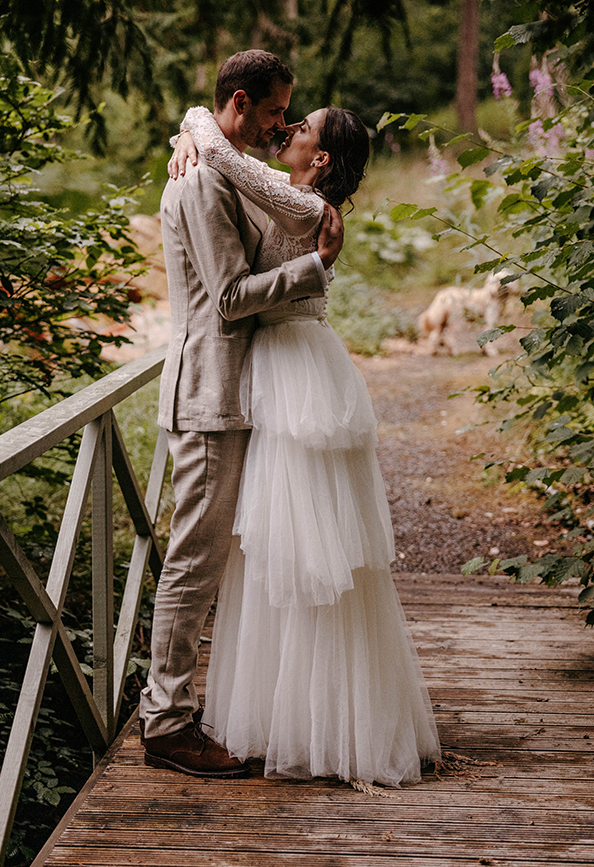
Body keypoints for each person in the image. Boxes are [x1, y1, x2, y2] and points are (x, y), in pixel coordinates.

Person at [166, 103, 442, 786]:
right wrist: (186, 138)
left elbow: (228, 161)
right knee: (285, 548)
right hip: (296, 366)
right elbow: (229, 165)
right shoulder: (294, 193)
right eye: (287, 120)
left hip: (292, 374)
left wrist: (197, 118)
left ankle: (311, 720)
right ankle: (298, 712)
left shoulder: (298, 202)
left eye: (302, 128)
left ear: (318, 160)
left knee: (301, 550)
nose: (288, 131)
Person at [138, 50, 346, 779]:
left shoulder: (213, 158)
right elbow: (228, 297)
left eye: (286, 113)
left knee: (207, 559)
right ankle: (165, 721)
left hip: (228, 394)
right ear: (236, 103)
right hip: (206, 394)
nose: (280, 124)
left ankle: (178, 709)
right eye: (271, 112)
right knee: (192, 562)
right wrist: (313, 269)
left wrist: (190, 127)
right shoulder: (198, 182)